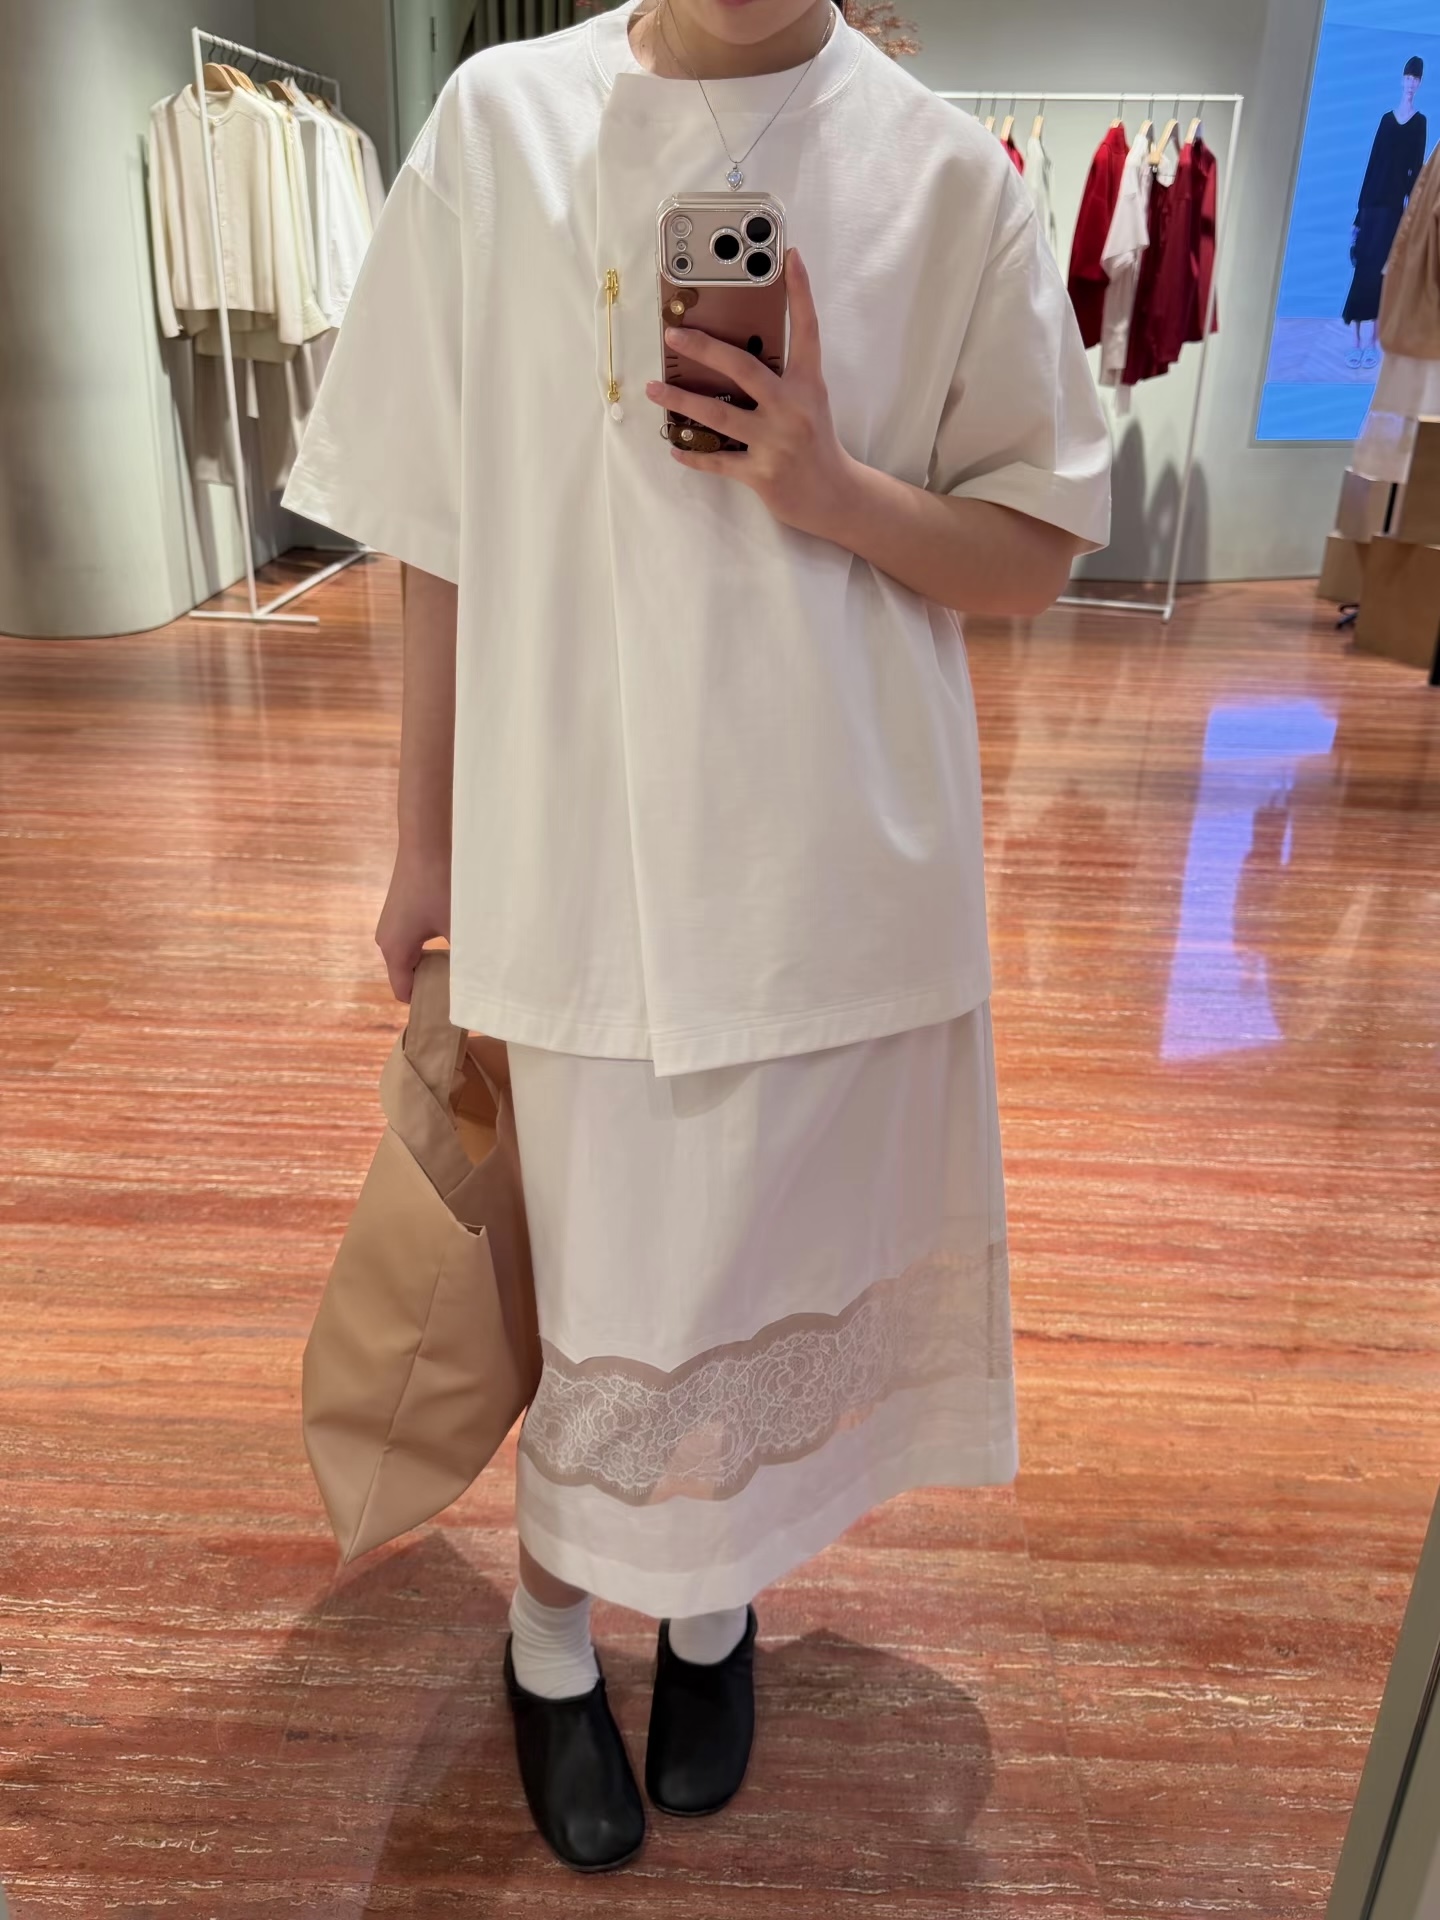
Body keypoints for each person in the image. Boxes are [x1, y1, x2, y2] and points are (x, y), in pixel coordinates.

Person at [281, 0, 1111, 1877]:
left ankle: (717, 1607)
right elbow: (435, 525)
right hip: (567, 835)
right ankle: (550, 1640)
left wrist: (827, 486)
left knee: (754, 1254)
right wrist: (422, 843)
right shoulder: (502, 124)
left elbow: (1037, 549)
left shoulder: (942, 176)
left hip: (828, 857)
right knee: (597, 1281)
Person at [1345, 55, 1427, 370]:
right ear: (1402, 80)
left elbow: (1416, 168)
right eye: (1407, 77)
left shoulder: (1419, 122)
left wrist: (1412, 211)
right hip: (1371, 205)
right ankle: (1355, 341)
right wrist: (1358, 216)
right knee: (1362, 269)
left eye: (1415, 79)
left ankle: (1373, 341)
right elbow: (1372, 164)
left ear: (1419, 83)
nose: (1410, 83)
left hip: (1394, 207)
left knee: (1383, 272)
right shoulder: (1385, 119)